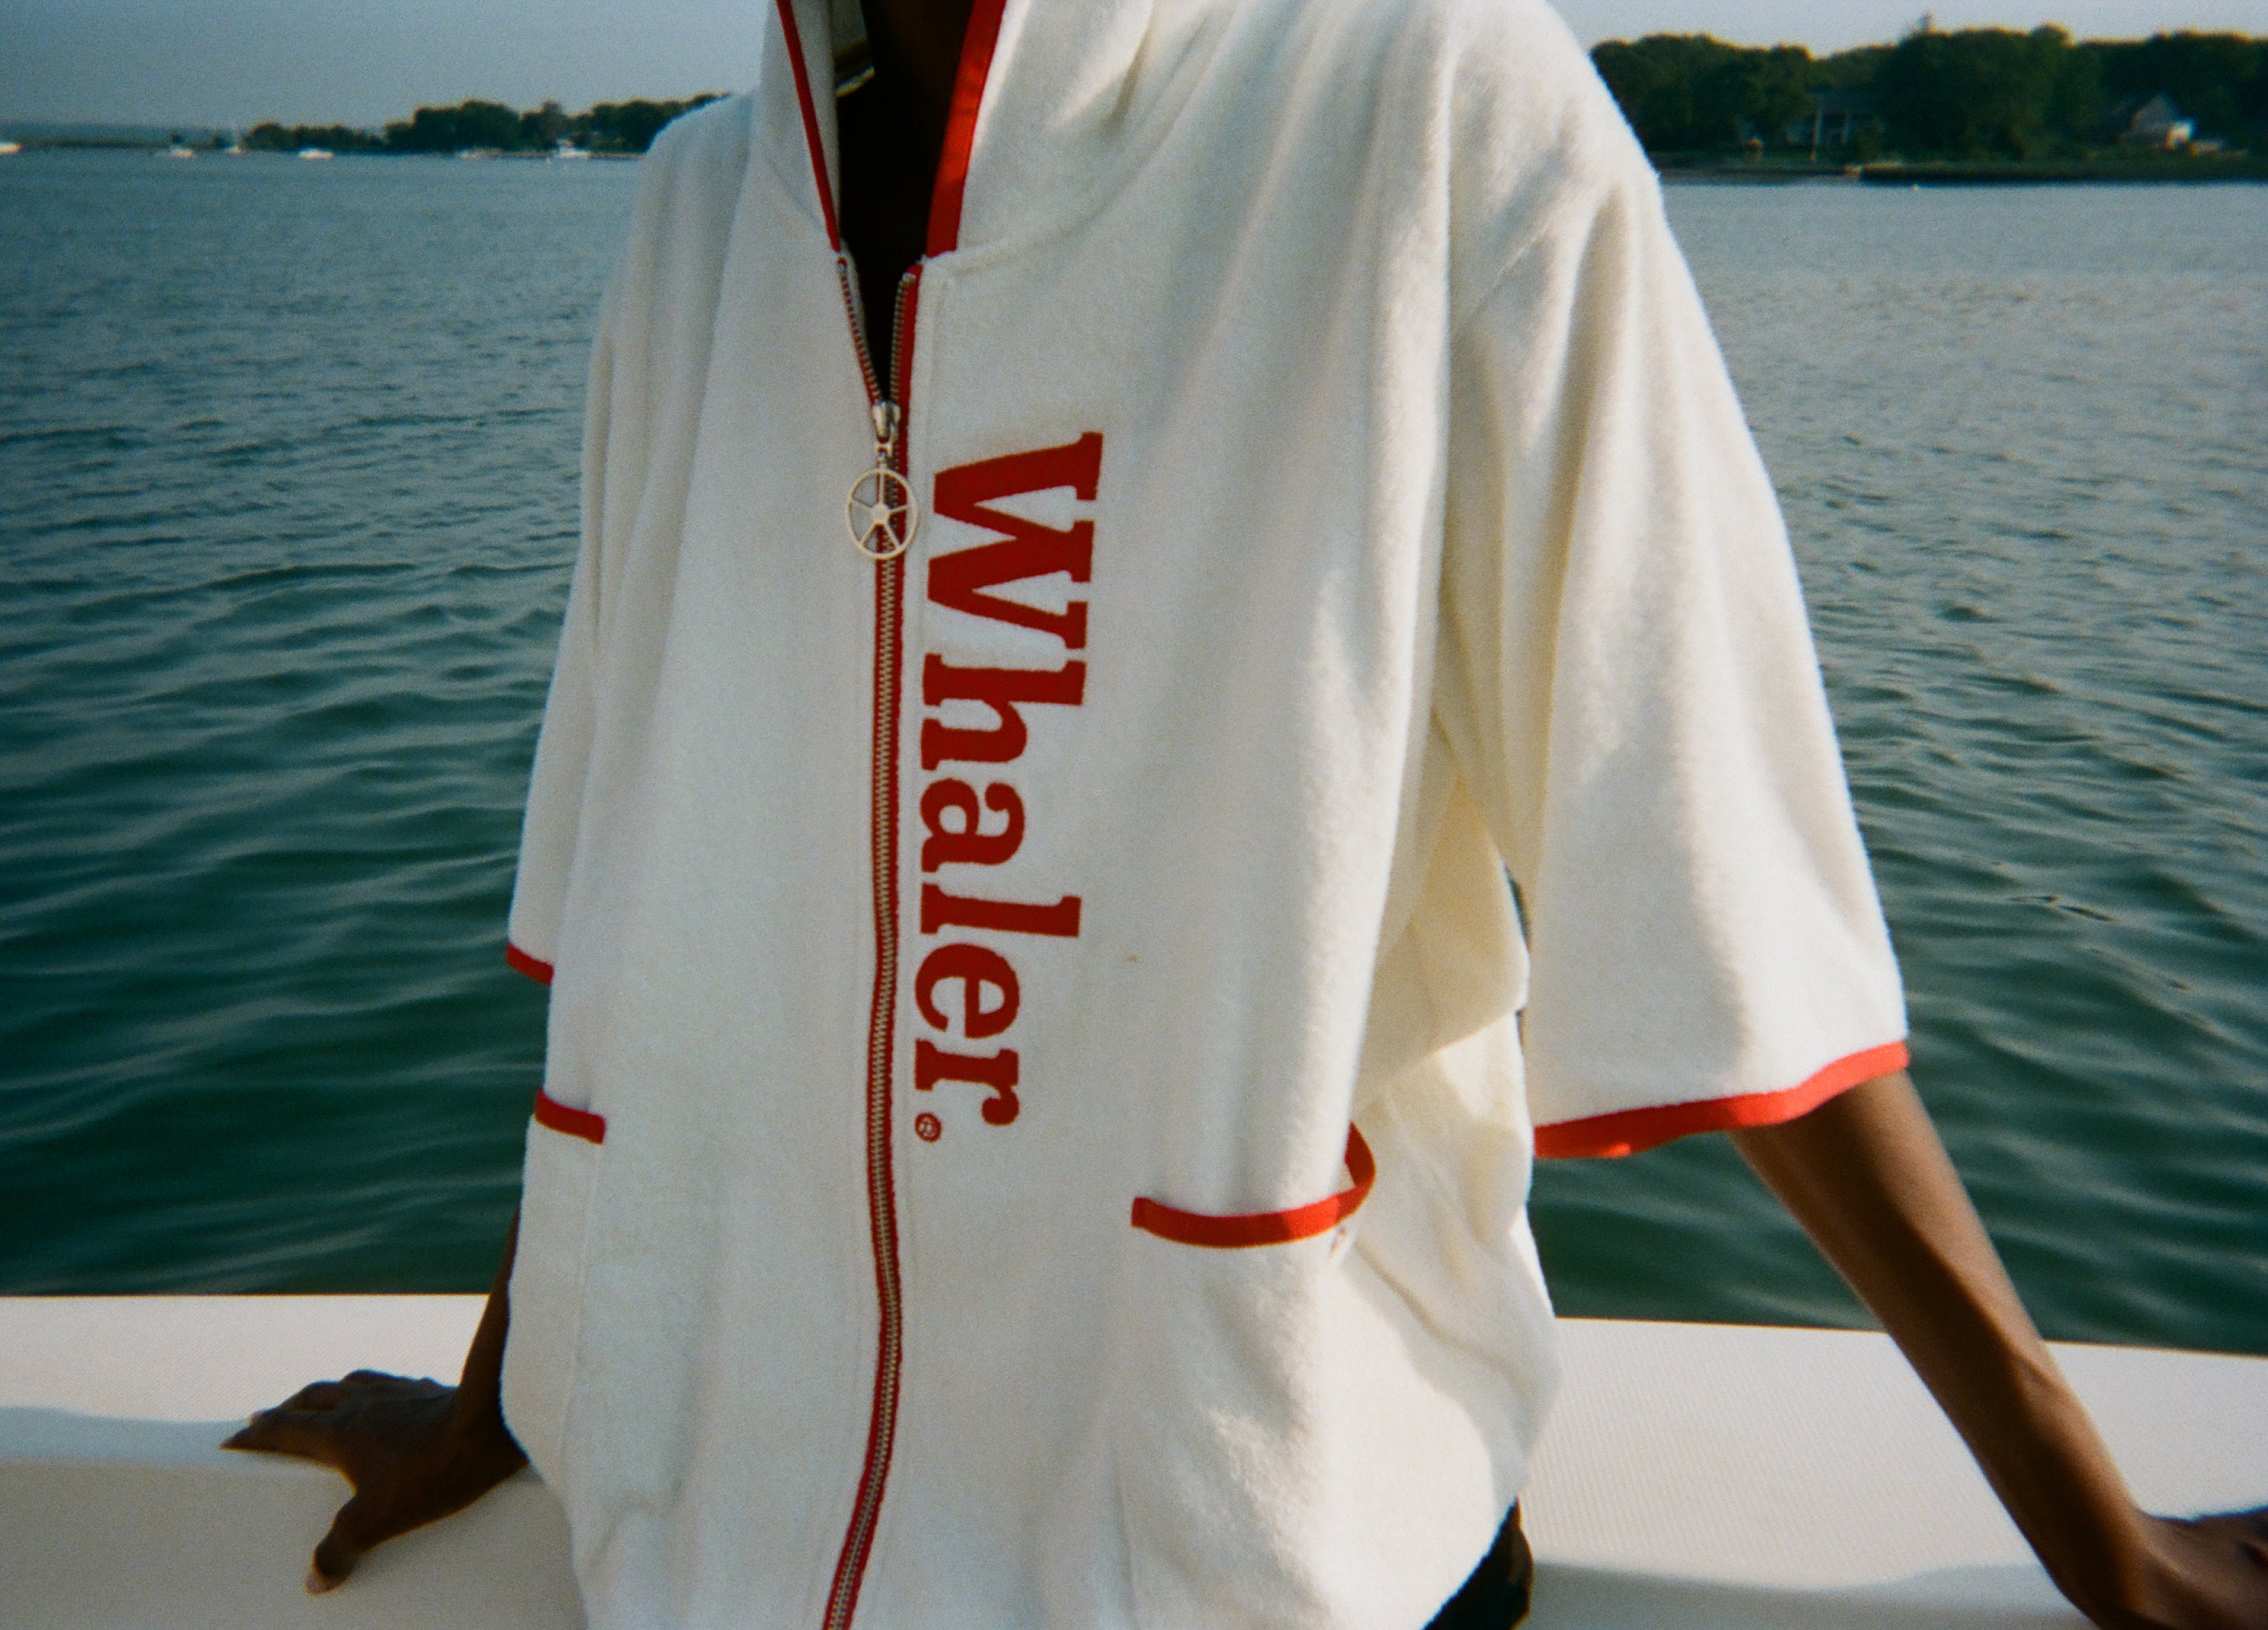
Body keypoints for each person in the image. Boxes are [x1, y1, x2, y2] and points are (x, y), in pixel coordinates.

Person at [225, 0, 2268, 1625]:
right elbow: (645, 929)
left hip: (1259, 1565)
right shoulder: (694, 221)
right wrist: (525, 1388)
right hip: (707, 1566)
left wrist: (2095, 1527)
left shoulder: (1434, 113)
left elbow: (1716, 888)